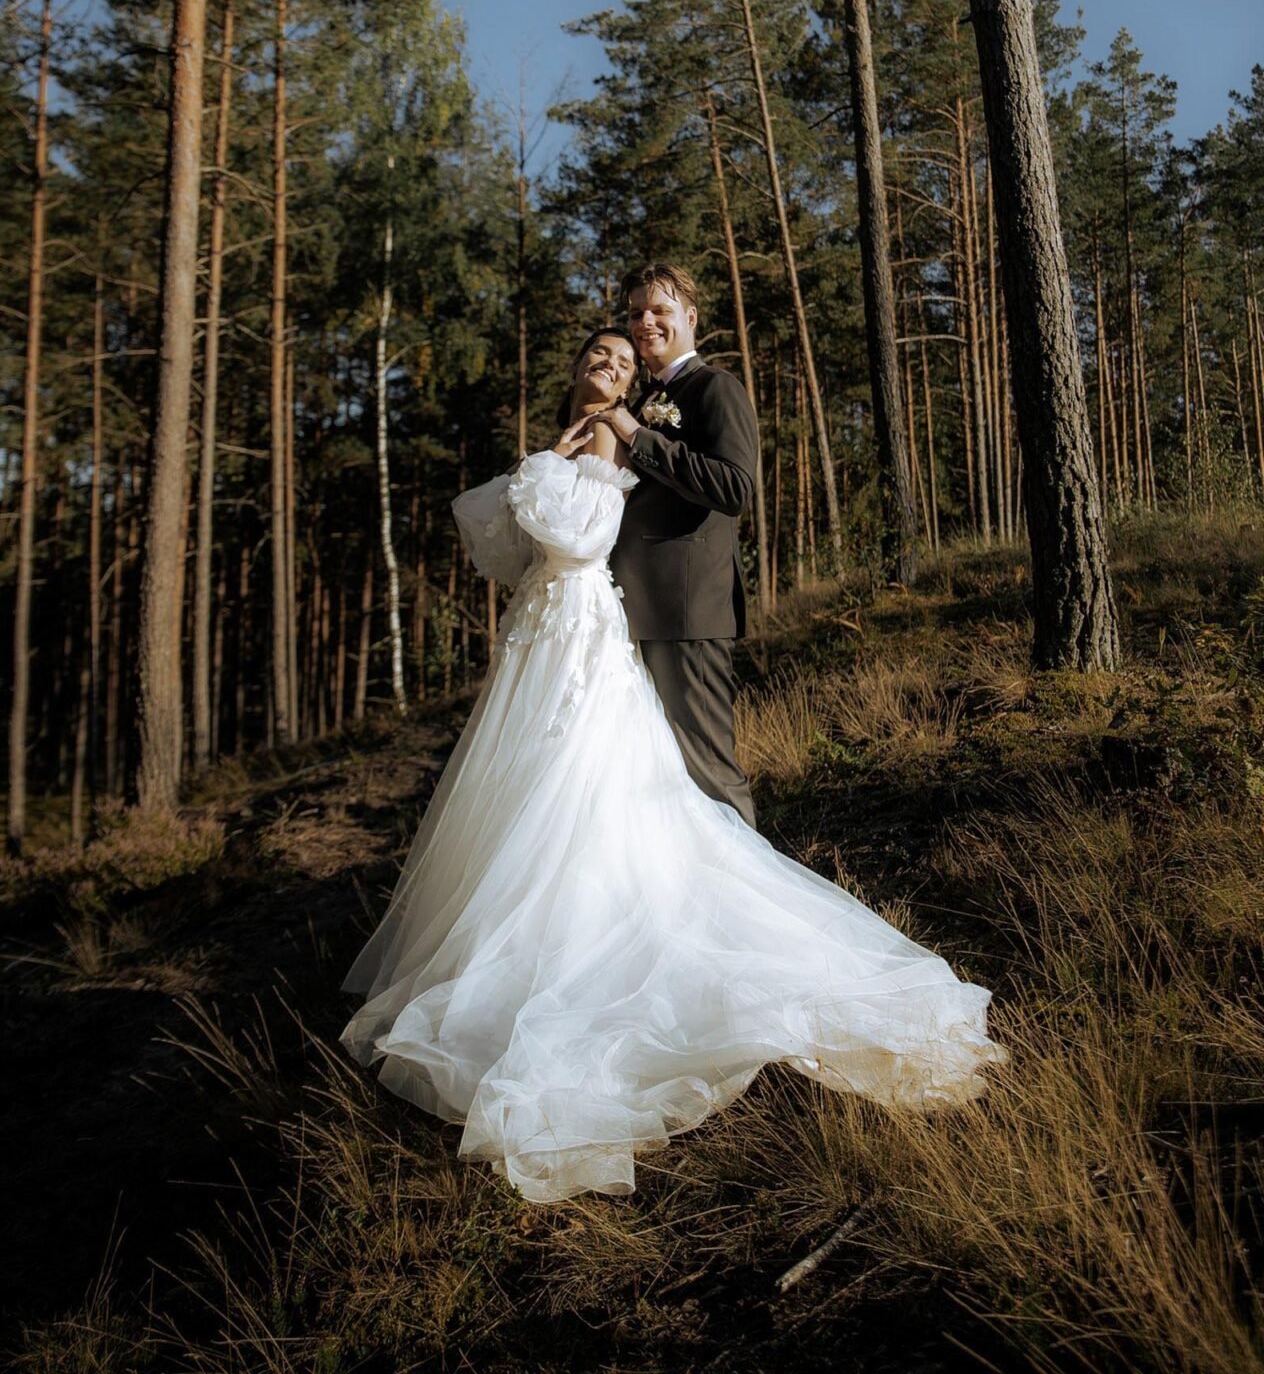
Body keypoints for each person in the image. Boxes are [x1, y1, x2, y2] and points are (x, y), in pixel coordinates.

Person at [339, 322, 1003, 1204]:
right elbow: (499, 547)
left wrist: (571, 458)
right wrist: (548, 457)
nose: (610, 366)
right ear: (575, 370)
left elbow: (577, 535)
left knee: (602, 791)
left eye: (622, 360)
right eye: (597, 357)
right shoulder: (571, 445)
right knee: (526, 794)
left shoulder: (630, 442)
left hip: (586, 637)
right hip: (540, 644)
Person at [604, 262, 759, 826]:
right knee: (660, 779)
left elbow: (735, 488)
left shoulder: (714, 387)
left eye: (660, 310)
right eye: (635, 312)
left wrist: (640, 438)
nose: (645, 322)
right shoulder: (642, 398)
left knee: (710, 773)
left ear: (690, 317)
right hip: (636, 614)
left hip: (687, 612)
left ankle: (748, 901)